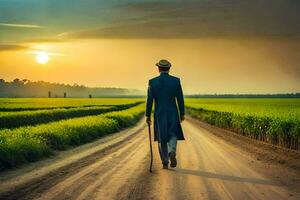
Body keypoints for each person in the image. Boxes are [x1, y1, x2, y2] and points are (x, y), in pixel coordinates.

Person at [146, 59, 185, 169]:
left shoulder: (152, 82)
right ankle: (172, 151)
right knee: (173, 134)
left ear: (158, 68)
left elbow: (149, 100)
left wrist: (147, 115)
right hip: (173, 111)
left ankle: (165, 162)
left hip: (159, 113)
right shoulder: (176, 81)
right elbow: (180, 99)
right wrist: (182, 113)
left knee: (161, 137)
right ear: (169, 68)